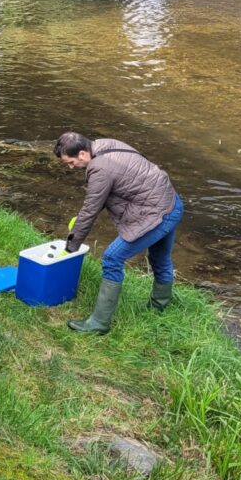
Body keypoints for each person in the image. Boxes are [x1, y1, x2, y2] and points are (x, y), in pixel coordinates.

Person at [54, 132, 184, 335]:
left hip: (158, 214)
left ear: (82, 154)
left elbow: (90, 210)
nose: (71, 168)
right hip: (171, 203)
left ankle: (98, 324)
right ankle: (160, 307)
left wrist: (71, 246)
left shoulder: (99, 169)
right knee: (160, 258)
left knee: (112, 258)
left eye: (70, 162)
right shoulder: (105, 144)